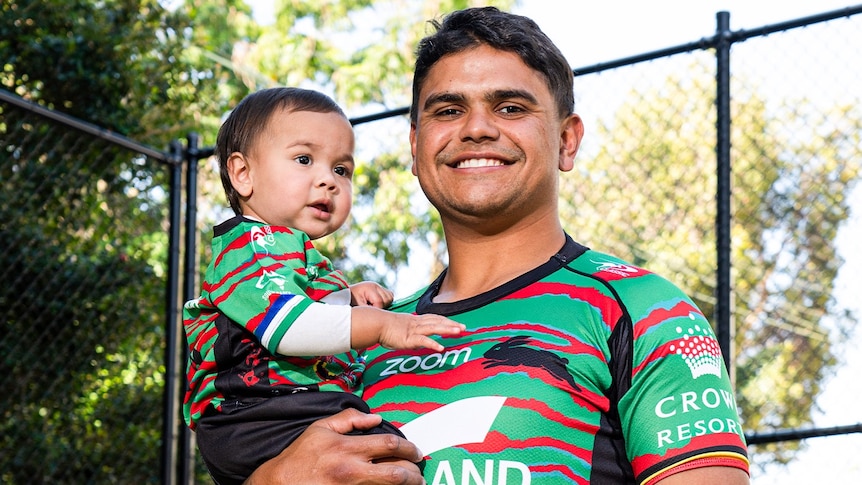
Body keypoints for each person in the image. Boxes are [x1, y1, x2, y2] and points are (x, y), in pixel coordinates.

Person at [246, 6, 751, 485]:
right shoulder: (357, 334)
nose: (477, 128)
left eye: (510, 107)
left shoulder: (645, 312)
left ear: (566, 141)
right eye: (448, 110)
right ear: (416, 148)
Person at [182, 87, 464, 485]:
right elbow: (290, 328)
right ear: (243, 173)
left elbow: (301, 304)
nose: (328, 181)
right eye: (303, 159)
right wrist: (381, 325)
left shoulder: (290, 253)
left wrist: (347, 296)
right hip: (253, 416)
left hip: (280, 411)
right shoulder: (250, 246)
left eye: (341, 170)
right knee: (388, 458)